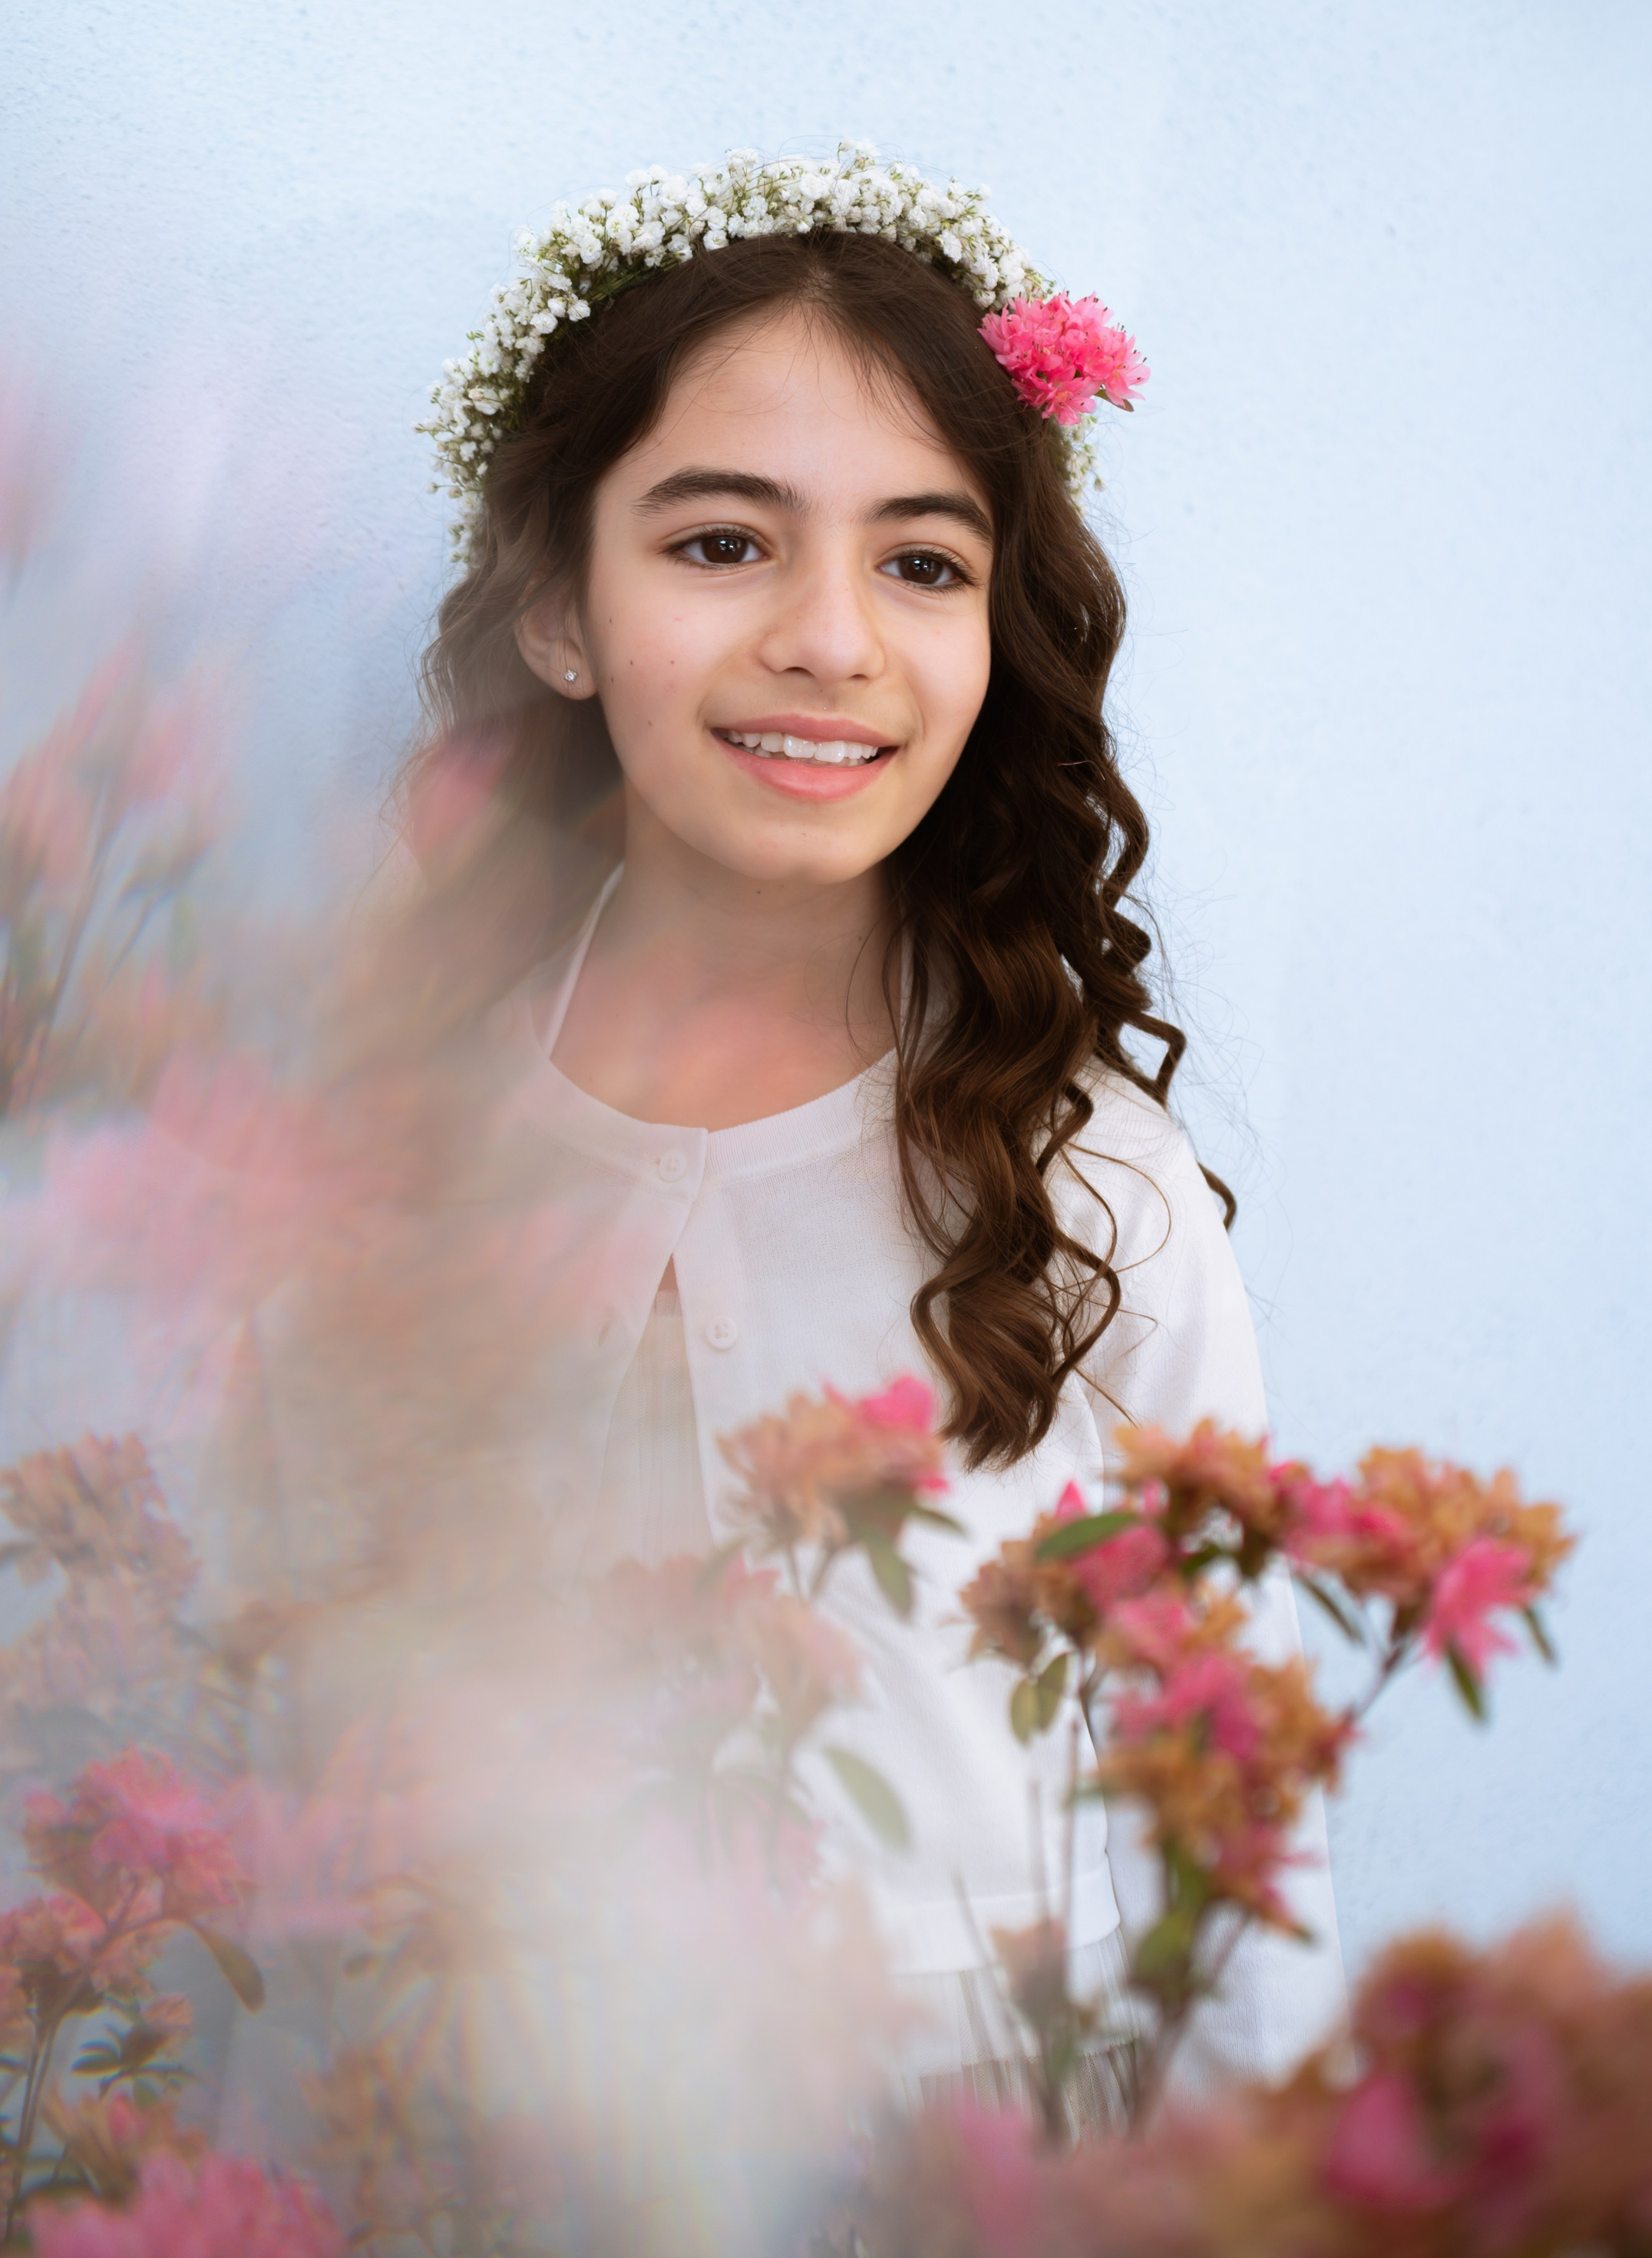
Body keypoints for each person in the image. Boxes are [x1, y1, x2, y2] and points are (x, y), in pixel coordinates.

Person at [391, 146, 1347, 2106]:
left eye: (920, 563)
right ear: (560, 607)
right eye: (719, 543)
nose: (830, 640)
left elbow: (1229, 1821)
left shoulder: (1090, 1197)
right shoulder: (397, 1153)